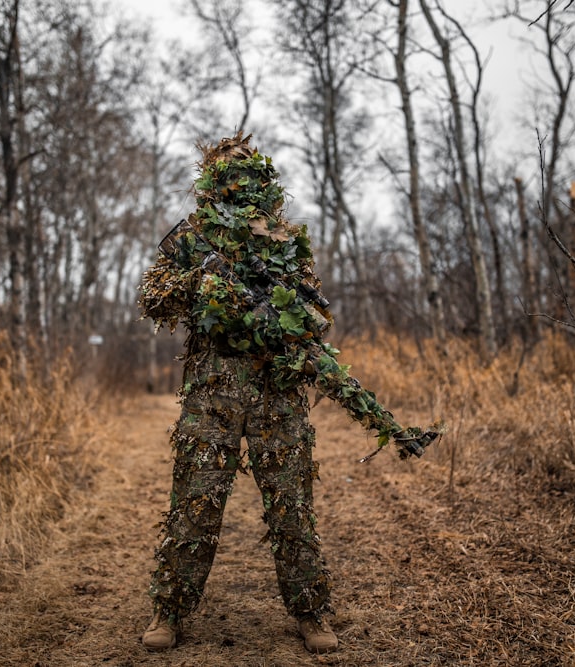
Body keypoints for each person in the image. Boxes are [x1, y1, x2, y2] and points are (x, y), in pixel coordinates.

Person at [137, 133, 438, 654]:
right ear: (211, 177)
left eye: (248, 169)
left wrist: (285, 331)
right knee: (195, 506)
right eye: (229, 169)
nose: (240, 179)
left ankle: (311, 612)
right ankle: (170, 609)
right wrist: (202, 285)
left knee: (292, 508)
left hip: (279, 392)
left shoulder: (283, 240)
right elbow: (153, 297)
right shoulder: (192, 237)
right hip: (212, 391)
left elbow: (309, 315)